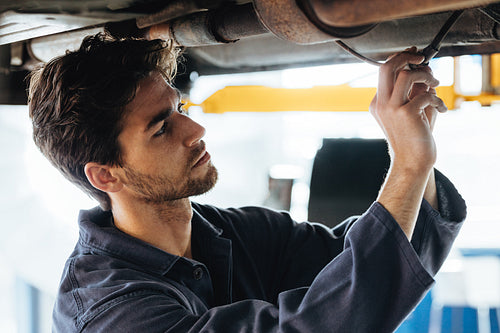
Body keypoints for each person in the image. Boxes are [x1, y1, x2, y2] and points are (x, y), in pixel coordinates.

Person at [28, 33, 466, 332]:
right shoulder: (111, 313)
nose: (194, 129)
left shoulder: (229, 234)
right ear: (106, 174)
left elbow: (374, 262)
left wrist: (419, 156)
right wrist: (407, 165)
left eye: (178, 106)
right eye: (161, 127)